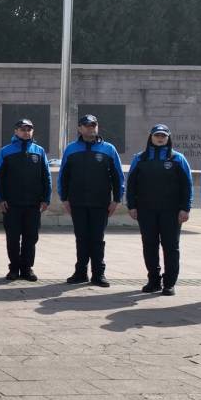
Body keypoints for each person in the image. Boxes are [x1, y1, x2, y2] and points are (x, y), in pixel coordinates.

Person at [58, 114, 124, 288]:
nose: (90, 128)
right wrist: (64, 198)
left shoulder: (108, 149)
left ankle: (98, 274)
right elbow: (64, 175)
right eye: (86, 125)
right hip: (77, 202)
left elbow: (118, 176)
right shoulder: (71, 149)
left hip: (100, 202)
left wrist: (116, 199)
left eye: (93, 125)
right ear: (80, 128)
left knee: (97, 238)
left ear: (97, 127)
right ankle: (80, 273)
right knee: (81, 238)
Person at [126, 124, 191, 296]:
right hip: (146, 211)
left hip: (171, 212)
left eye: (163, 135)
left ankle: (169, 283)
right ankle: (153, 280)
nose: (160, 138)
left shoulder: (178, 158)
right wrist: (131, 205)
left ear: (168, 138)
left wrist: (185, 208)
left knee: (171, 247)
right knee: (149, 245)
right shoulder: (140, 158)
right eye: (157, 135)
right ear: (151, 137)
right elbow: (131, 184)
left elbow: (187, 186)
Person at [0, 118, 51, 281]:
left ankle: (27, 268)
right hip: (12, 204)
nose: (26, 132)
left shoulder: (39, 151)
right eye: (23, 129)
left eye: (29, 129)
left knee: (31, 237)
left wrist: (46, 198)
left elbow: (46, 176)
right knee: (13, 237)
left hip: (33, 204)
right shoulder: (6, 151)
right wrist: (0, 198)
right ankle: (14, 268)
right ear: (16, 131)